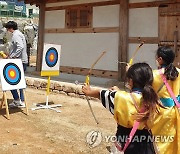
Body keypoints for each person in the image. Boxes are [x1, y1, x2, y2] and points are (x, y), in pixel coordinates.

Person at [82, 62, 180, 154]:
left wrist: (88, 91)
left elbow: (100, 93)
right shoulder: (154, 100)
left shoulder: (120, 97)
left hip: (125, 142)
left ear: (131, 81)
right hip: (147, 145)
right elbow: (137, 98)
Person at [5, 21, 28, 108]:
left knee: (11, 81)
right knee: (20, 81)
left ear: (10, 28)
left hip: (19, 61)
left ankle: (18, 100)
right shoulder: (18, 34)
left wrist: (12, 56)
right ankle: (20, 100)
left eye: (7, 28)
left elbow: (20, 47)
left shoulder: (16, 35)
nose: (7, 30)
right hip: (21, 60)